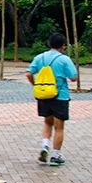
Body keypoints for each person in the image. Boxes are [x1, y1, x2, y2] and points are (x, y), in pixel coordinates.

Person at [26, 32, 78, 167]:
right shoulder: (64, 59)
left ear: (49, 44)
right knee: (59, 127)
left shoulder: (40, 57)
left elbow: (29, 73)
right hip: (60, 96)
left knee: (47, 122)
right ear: (63, 46)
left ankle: (45, 146)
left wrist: (35, 84)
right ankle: (55, 156)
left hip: (44, 96)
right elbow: (73, 77)